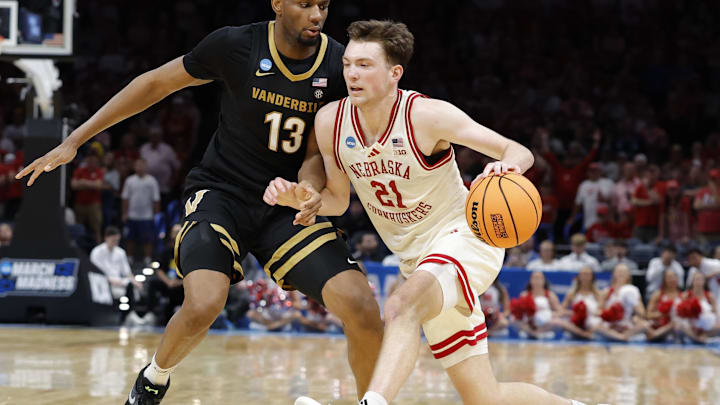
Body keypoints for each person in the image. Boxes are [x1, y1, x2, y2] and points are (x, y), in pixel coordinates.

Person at [16, 2, 384, 404]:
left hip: (285, 203)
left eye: (324, 5)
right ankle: (155, 377)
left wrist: (308, 190)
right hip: (222, 193)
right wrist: (76, 140)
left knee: (361, 307)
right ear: (278, 4)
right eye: (305, 3)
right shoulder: (235, 45)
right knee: (205, 302)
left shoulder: (338, 64)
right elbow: (156, 83)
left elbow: (317, 150)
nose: (317, 14)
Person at [266, 19, 585, 405]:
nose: (351, 72)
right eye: (348, 63)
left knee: (400, 304)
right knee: (485, 398)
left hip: (465, 239)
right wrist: (303, 200)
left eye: (365, 65)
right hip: (418, 261)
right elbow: (337, 201)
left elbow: (517, 149)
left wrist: (507, 167)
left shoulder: (427, 116)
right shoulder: (330, 121)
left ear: (394, 73)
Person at [121, 158, 161, 265]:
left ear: (146, 167)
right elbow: (125, 198)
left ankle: (147, 258)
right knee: (130, 238)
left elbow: (156, 199)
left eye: (142, 165)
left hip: (147, 216)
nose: (140, 167)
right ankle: (129, 258)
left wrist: (156, 215)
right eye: (138, 165)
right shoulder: (129, 180)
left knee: (148, 239)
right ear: (134, 167)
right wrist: (124, 213)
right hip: (132, 215)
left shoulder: (152, 181)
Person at [551, 266, 601, 340]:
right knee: (560, 321)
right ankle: (583, 334)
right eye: (583, 274)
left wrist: (588, 313)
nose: (585, 277)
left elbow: (601, 311)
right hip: (575, 322)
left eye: (587, 274)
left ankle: (588, 332)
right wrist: (575, 313)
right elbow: (561, 310)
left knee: (598, 322)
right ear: (579, 277)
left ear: (592, 277)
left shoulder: (598, 294)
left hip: (591, 322)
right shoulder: (571, 294)